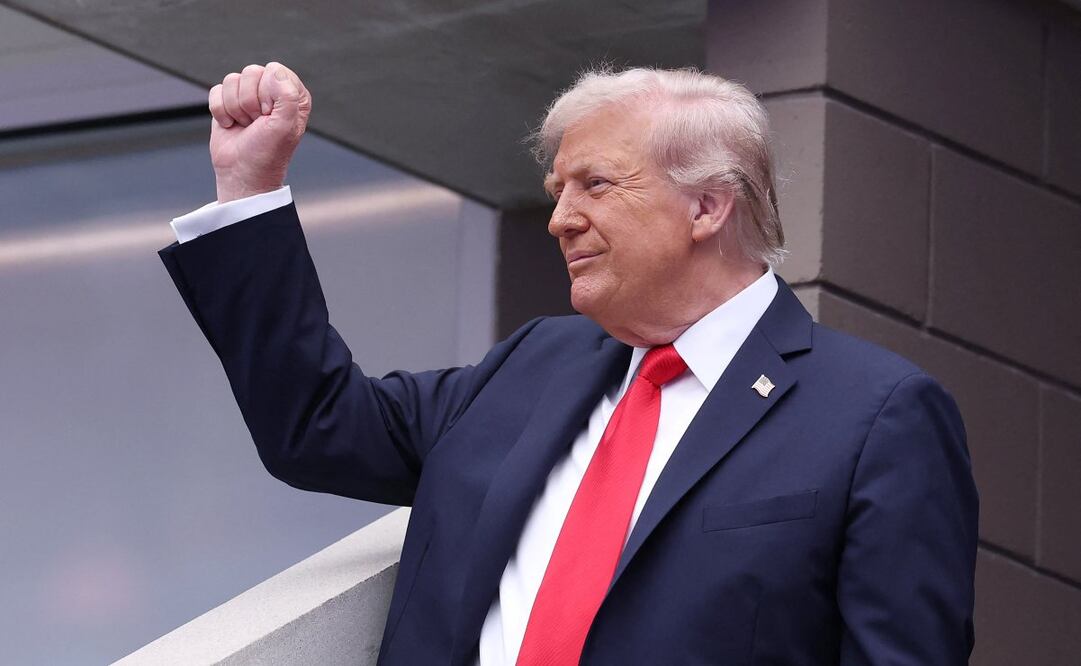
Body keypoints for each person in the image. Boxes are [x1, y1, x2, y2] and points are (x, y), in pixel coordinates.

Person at [160, 62, 979, 665]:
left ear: (706, 205)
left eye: (594, 185)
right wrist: (249, 188)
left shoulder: (873, 415)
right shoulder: (532, 365)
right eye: (556, 190)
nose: (559, 219)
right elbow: (318, 426)